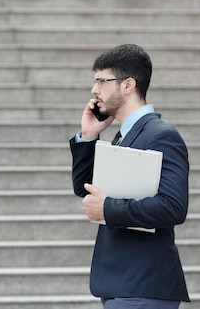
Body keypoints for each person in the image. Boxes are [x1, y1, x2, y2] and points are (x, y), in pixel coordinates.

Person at [69, 44, 190, 308]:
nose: (94, 89)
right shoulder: (125, 135)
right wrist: (89, 136)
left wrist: (108, 207)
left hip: (143, 285)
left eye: (102, 81)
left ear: (128, 85)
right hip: (122, 284)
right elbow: (86, 188)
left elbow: (174, 207)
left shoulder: (161, 136)